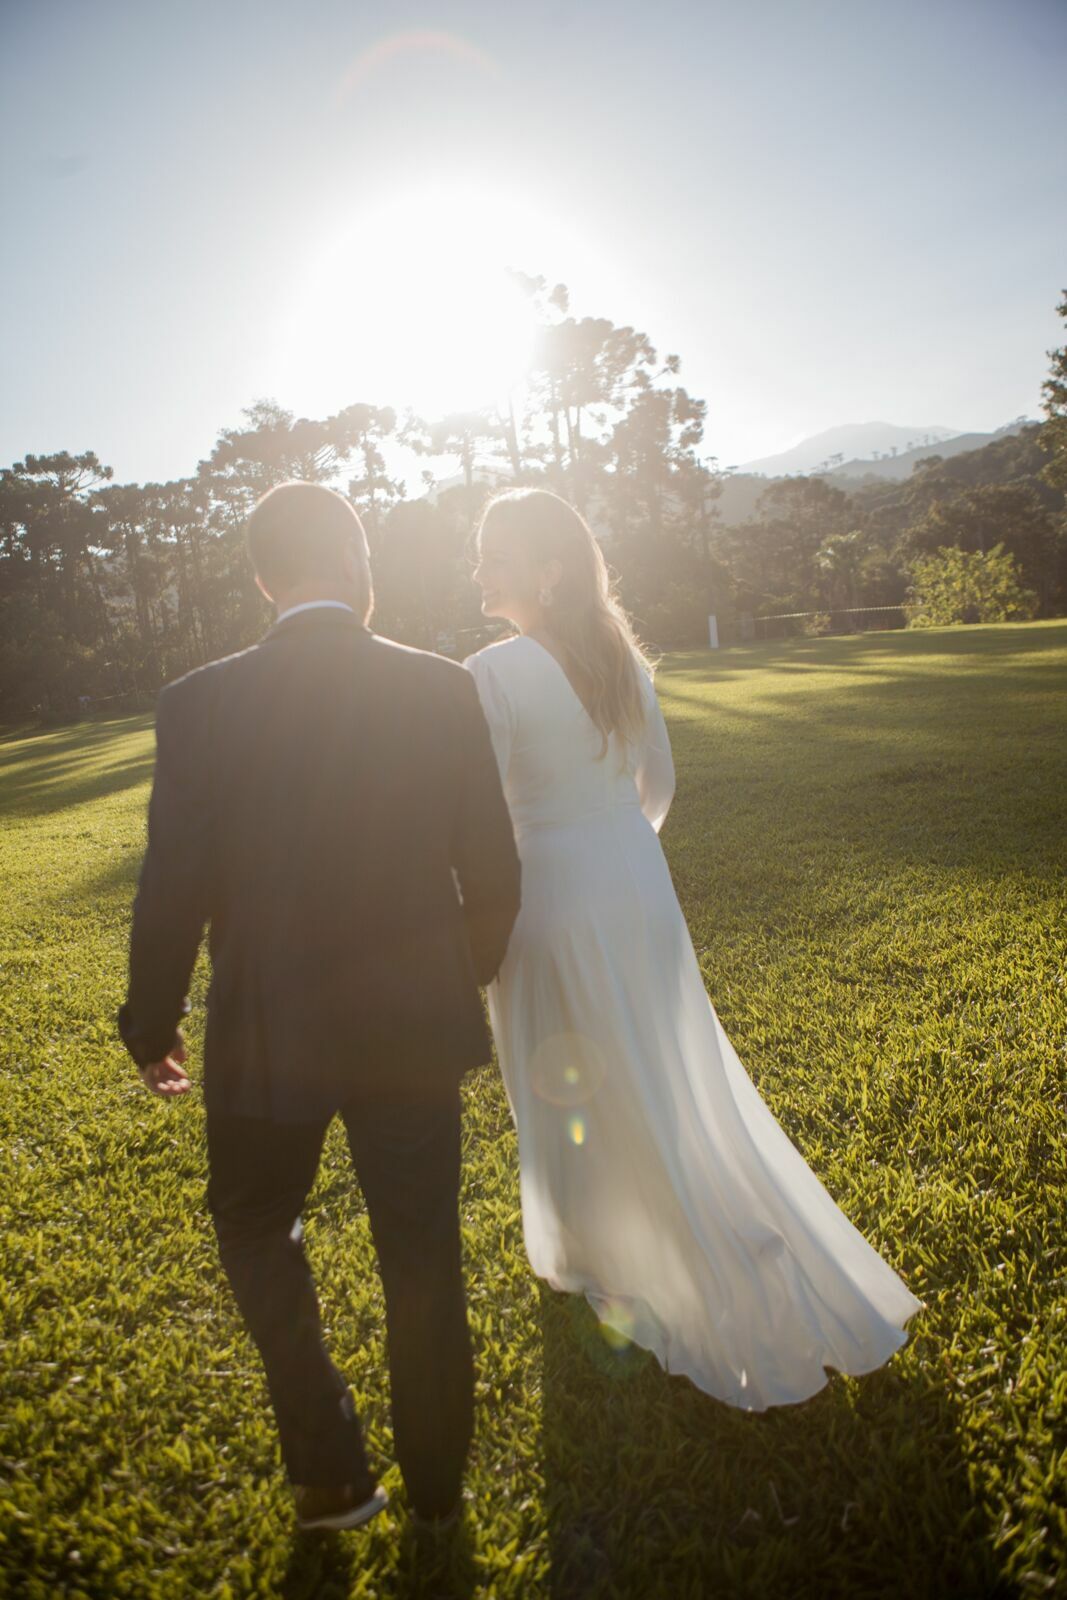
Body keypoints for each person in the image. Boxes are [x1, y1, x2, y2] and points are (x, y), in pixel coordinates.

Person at [118, 481, 521, 1532]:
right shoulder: (439, 688)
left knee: (253, 1221)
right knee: (421, 1252)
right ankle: (436, 1493)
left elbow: (172, 885)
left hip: (264, 1027)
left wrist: (149, 1022)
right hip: (409, 1029)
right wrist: (450, 978)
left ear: (261, 578)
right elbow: (495, 876)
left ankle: (332, 1469)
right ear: (357, 563)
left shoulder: (197, 703)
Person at [464, 488, 921, 1410]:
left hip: (546, 894)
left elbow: (475, 819)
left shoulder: (491, 672)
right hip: (635, 884)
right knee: (656, 1069)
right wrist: (614, 848)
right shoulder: (623, 658)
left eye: (493, 555)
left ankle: (605, 1255)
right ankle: (668, 1232)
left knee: (568, 1072)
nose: (476, 571)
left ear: (547, 571)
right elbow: (657, 789)